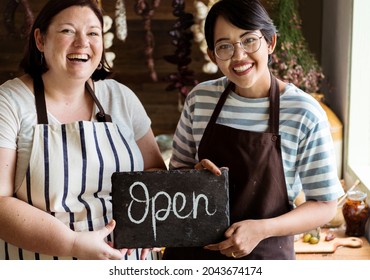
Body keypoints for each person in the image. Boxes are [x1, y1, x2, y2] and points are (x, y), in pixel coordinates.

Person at [162, 0, 344, 260]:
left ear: (270, 43)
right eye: (224, 46)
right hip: (193, 255)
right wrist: (193, 178)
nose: (238, 56)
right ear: (213, 55)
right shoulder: (200, 99)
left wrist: (262, 229)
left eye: (248, 40)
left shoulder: (304, 112)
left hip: (264, 258)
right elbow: (176, 174)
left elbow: (325, 205)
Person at [0, 0, 166, 260]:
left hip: (128, 261)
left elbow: (155, 172)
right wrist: (72, 244)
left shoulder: (120, 97)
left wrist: (145, 224)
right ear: (40, 40)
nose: (82, 43)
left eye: (93, 33)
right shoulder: (10, 101)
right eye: (68, 31)